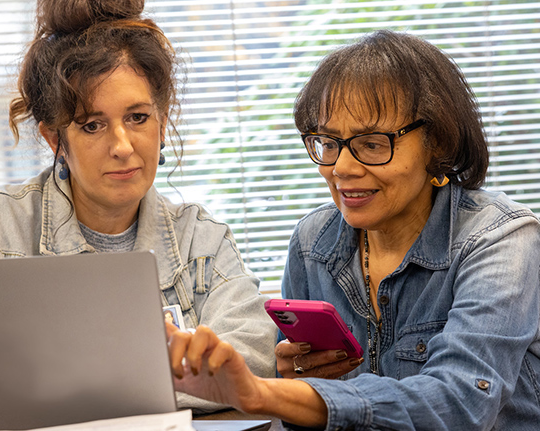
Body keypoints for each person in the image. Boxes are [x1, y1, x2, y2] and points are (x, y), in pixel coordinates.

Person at [166, 30, 540, 429]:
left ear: (437, 143)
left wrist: (267, 393)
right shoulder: (313, 243)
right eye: (328, 142)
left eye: (372, 144)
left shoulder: (501, 240)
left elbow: (460, 402)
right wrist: (295, 384)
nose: (341, 168)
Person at [0, 0, 277, 412]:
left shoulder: (202, 242)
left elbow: (252, 363)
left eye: (137, 117)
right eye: (92, 125)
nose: (122, 146)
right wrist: (171, 386)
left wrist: (59, 392)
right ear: (55, 141)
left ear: (162, 119)